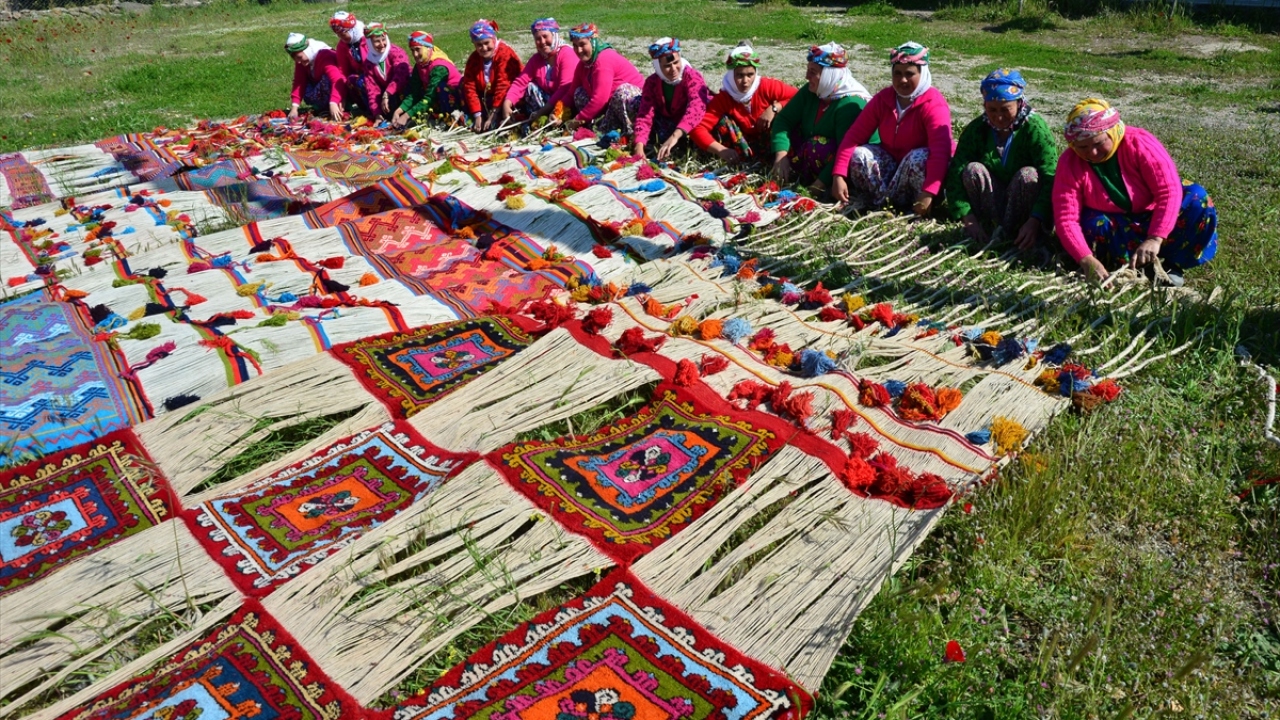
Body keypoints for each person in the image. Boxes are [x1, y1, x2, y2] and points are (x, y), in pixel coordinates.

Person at [1052, 98, 1217, 284]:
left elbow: (1168, 191)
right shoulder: (1069, 163)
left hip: (1153, 216)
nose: (1092, 153)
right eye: (1083, 147)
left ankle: (1172, 264)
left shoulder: (1139, 143)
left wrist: (1155, 238)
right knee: (1092, 223)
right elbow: (1066, 218)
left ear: (1111, 133)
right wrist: (1086, 259)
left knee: (1197, 198)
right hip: (1116, 227)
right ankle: (1120, 267)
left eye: (1098, 144)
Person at [833, 42, 953, 216]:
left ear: (923, 73)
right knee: (859, 155)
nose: (902, 80)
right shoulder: (884, 99)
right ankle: (882, 205)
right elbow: (854, 136)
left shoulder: (933, 104)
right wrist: (839, 175)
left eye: (909, 74)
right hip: (893, 168)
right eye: (897, 73)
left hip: (921, 177)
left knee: (918, 158)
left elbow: (941, 151)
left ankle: (917, 207)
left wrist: (928, 193)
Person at [945, 68, 1058, 249]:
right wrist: (968, 218)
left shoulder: (1035, 129)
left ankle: (1022, 233)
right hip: (992, 206)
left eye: (1006, 109)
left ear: (1019, 103)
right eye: (992, 109)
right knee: (972, 170)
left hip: (1025, 213)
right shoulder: (978, 129)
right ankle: (989, 228)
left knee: (1029, 175)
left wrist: (1036, 220)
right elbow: (956, 172)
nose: (998, 117)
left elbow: (1050, 176)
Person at [770, 43, 873, 194]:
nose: (807, 77)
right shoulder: (813, 91)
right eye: (808, 70)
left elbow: (846, 152)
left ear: (829, 75)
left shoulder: (849, 105)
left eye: (813, 72)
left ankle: (825, 185)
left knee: (817, 145)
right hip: (814, 156)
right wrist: (781, 155)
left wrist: (817, 186)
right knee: (780, 132)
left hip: (842, 166)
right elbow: (784, 120)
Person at [690, 43, 797, 164]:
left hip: (771, 143)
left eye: (750, 75)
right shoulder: (724, 98)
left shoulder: (767, 86)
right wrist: (721, 150)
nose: (745, 81)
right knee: (722, 121)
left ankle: (782, 158)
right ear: (731, 75)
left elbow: (798, 97)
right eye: (739, 75)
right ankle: (745, 161)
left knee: (781, 115)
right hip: (740, 149)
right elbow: (698, 128)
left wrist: (775, 108)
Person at [538, 23, 646, 135]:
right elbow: (570, 94)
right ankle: (599, 128)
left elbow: (599, 99)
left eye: (583, 44)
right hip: (610, 107)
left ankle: (633, 133)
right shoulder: (583, 65)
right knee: (579, 93)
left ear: (593, 42)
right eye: (575, 46)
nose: (578, 50)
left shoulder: (603, 60)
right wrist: (558, 113)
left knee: (623, 93)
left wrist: (576, 120)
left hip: (635, 105)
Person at [633, 38, 711, 161]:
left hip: (688, 126)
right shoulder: (652, 83)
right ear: (658, 67)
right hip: (669, 123)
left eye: (676, 62)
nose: (674, 69)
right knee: (636, 103)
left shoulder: (691, 77)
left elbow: (696, 107)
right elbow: (644, 115)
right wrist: (639, 145)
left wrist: (675, 136)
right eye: (667, 66)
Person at [499, 18, 578, 124]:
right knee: (529, 87)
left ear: (554, 35)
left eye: (545, 36)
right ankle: (537, 120)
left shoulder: (567, 54)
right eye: (538, 39)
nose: (542, 42)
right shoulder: (537, 59)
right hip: (546, 105)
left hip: (565, 103)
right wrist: (507, 103)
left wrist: (541, 112)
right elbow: (521, 82)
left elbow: (565, 88)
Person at [460, 19, 523, 132]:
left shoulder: (504, 53)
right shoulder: (474, 59)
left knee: (495, 124)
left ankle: (499, 119)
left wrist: (493, 113)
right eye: (479, 45)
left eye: (486, 43)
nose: (484, 48)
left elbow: (503, 84)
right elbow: (470, 86)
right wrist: (477, 115)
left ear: (493, 39)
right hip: (488, 97)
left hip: (505, 97)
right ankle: (478, 119)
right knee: (462, 85)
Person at [392, 31, 462, 130]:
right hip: (431, 98)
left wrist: (406, 116)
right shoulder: (420, 65)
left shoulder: (439, 67)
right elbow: (414, 92)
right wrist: (399, 111)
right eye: (412, 50)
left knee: (441, 89)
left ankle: (448, 119)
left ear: (428, 48)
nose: (415, 54)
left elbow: (429, 97)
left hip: (451, 99)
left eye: (418, 49)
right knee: (407, 87)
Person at [285, 33, 345, 121]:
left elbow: (337, 80)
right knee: (305, 86)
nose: (298, 62)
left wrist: (333, 102)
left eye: (299, 57)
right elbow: (299, 81)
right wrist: (294, 108)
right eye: (295, 59)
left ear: (307, 50)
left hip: (341, 90)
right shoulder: (303, 59)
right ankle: (324, 107)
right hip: (321, 88)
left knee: (327, 79)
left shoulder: (325, 55)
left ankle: (338, 107)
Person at [360, 23, 411, 122]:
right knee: (360, 82)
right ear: (369, 43)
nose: (382, 44)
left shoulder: (396, 52)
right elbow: (371, 87)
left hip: (401, 89)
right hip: (387, 96)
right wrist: (377, 113)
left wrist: (387, 93)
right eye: (377, 42)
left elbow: (401, 75)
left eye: (383, 40)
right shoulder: (369, 62)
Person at [329, 10, 374, 115]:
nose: (341, 37)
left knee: (361, 81)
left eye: (343, 33)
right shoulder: (342, 46)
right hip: (362, 80)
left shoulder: (369, 38)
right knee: (352, 81)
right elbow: (343, 73)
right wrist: (339, 98)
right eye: (338, 34)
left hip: (376, 76)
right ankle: (368, 109)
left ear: (351, 29)